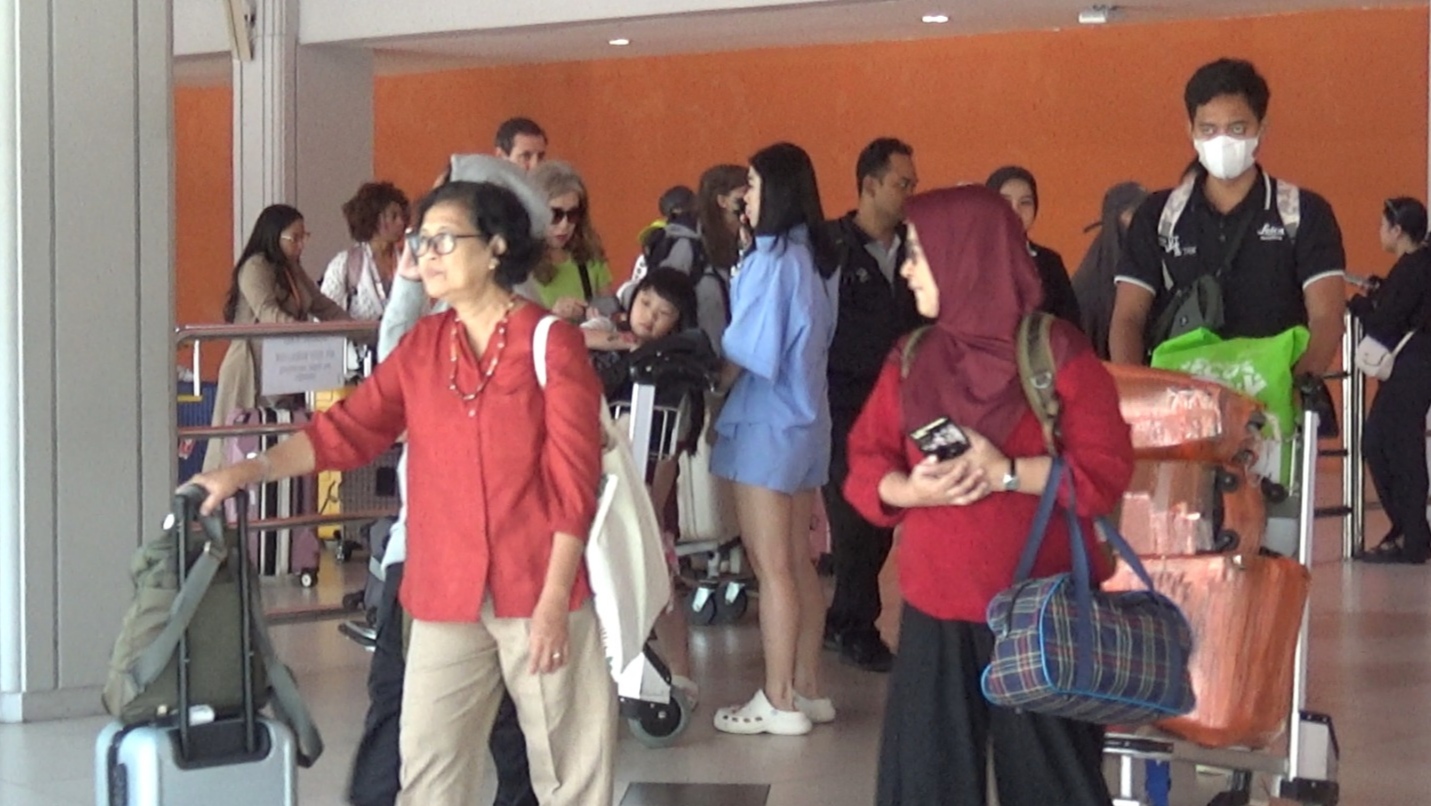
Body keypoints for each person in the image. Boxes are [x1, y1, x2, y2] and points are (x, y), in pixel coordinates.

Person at [189, 180, 615, 806]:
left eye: (444, 240)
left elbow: (575, 483)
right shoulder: (424, 346)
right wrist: (246, 472)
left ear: (496, 248)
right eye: (421, 241)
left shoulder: (549, 342)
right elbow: (347, 430)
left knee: (568, 773)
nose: (426, 255)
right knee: (428, 772)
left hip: (537, 586)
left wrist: (555, 600)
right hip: (443, 591)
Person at [842, 185, 1134, 805]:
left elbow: (1105, 474)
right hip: (935, 611)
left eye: (918, 254)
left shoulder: (1056, 354)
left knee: (1052, 786)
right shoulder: (913, 357)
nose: (907, 269)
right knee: (926, 784)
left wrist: (1007, 472)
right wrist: (909, 489)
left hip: (1042, 611)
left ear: (965, 257)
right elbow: (866, 463)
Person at [349, 155, 548, 806]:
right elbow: (393, 381)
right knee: (403, 702)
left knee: (501, 720)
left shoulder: (518, 321)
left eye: (445, 229)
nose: (428, 242)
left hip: (492, 562)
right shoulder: (441, 309)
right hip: (426, 553)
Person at [709, 142, 839, 736]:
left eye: (755, 185)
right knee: (798, 563)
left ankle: (778, 698)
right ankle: (808, 686)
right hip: (807, 422)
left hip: (765, 423)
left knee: (771, 567)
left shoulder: (771, 260)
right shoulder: (817, 257)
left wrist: (713, 383)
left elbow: (749, 350)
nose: (746, 197)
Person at [1109, 58, 1346, 373]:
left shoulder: (1304, 212)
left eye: (1237, 128)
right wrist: (1135, 387)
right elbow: (1128, 318)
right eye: (1208, 129)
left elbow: (1327, 318)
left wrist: (1299, 388)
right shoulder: (1158, 215)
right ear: (1190, 130)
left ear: (1261, 128)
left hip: (1276, 395)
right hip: (1180, 397)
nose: (1222, 141)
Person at [822, 137, 922, 673]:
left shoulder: (915, 249)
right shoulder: (832, 249)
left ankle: (844, 618)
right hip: (842, 401)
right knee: (855, 516)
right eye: (902, 183)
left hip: (902, 402)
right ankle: (855, 624)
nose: (910, 193)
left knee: (885, 515)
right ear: (869, 185)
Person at [587, 268, 709, 706]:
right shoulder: (606, 337)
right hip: (600, 491)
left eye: (664, 312)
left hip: (647, 493)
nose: (649, 317)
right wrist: (617, 342)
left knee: (660, 586)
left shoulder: (677, 375)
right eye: (645, 303)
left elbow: (669, 458)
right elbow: (577, 335)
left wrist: (652, 511)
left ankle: (681, 674)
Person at [202, 204, 350, 472]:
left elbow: (323, 306)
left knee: (278, 442)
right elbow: (268, 312)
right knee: (235, 445)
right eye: (295, 237)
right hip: (250, 367)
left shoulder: (292, 268)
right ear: (274, 235)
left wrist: (364, 330)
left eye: (305, 236)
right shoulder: (255, 266)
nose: (301, 244)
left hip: (284, 368)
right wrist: (309, 336)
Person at [1354, 197, 1431, 565]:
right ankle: (1412, 532)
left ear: (1398, 230)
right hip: (1419, 366)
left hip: (1410, 368)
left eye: (1383, 225)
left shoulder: (1411, 269)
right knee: (1400, 445)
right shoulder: (1421, 266)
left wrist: (1360, 306)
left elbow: (1387, 320)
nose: (1380, 232)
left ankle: (1411, 534)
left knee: (1386, 444)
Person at [986, 165, 1082, 327]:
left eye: (1025, 202)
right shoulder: (970, 259)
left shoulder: (1050, 263)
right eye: (1005, 201)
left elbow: (1070, 328)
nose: (1016, 210)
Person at [1071, 181, 1148, 359]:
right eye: (1133, 213)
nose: (1143, 221)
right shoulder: (1086, 285)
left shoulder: (1155, 263)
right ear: (1114, 220)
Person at [530, 161, 615, 320]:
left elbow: (611, 313)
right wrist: (553, 316)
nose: (564, 225)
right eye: (555, 215)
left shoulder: (589, 257)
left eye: (573, 214)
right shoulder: (519, 267)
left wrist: (594, 313)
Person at [321, 182, 411, 320]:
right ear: (374, 220)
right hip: (359, 335)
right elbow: (324, 317)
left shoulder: (410, 261)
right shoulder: (345, 264)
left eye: (402, 216)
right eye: (393, 216)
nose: (401, 222)